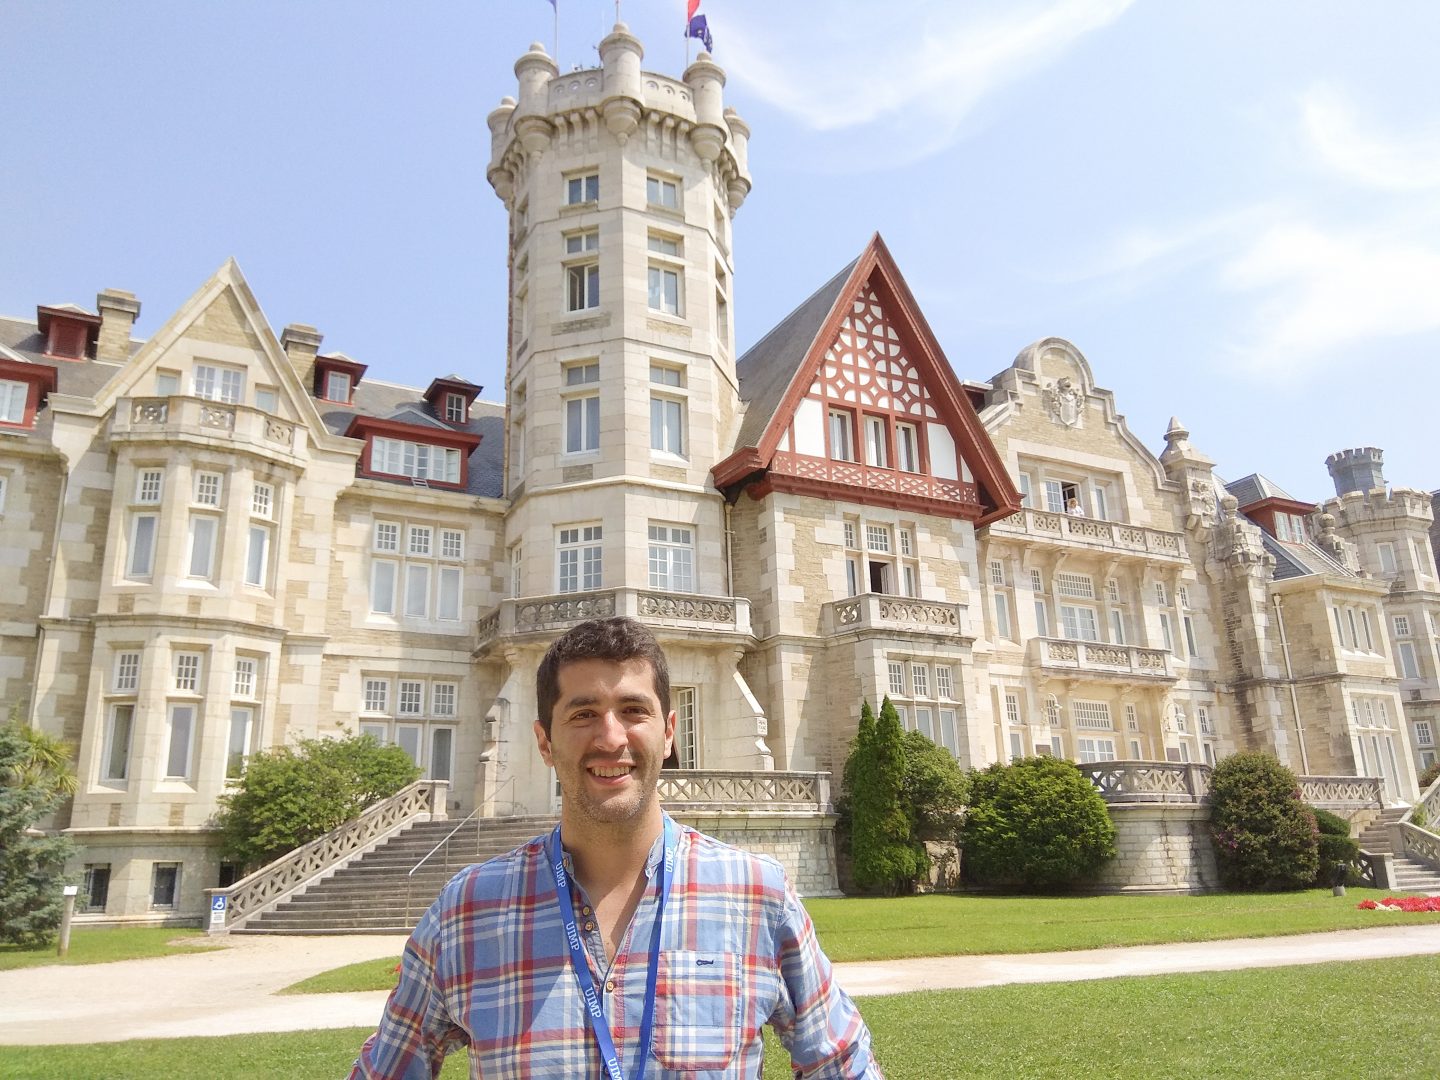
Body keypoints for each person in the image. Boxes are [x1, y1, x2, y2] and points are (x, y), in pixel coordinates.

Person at [350, 616, 881, 1078]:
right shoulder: (466, 913)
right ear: (544, 741)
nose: (610, 738)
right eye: (583, 713)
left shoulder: (756, 896)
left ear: (670, 733)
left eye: (633, 710)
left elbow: (841, 1064)